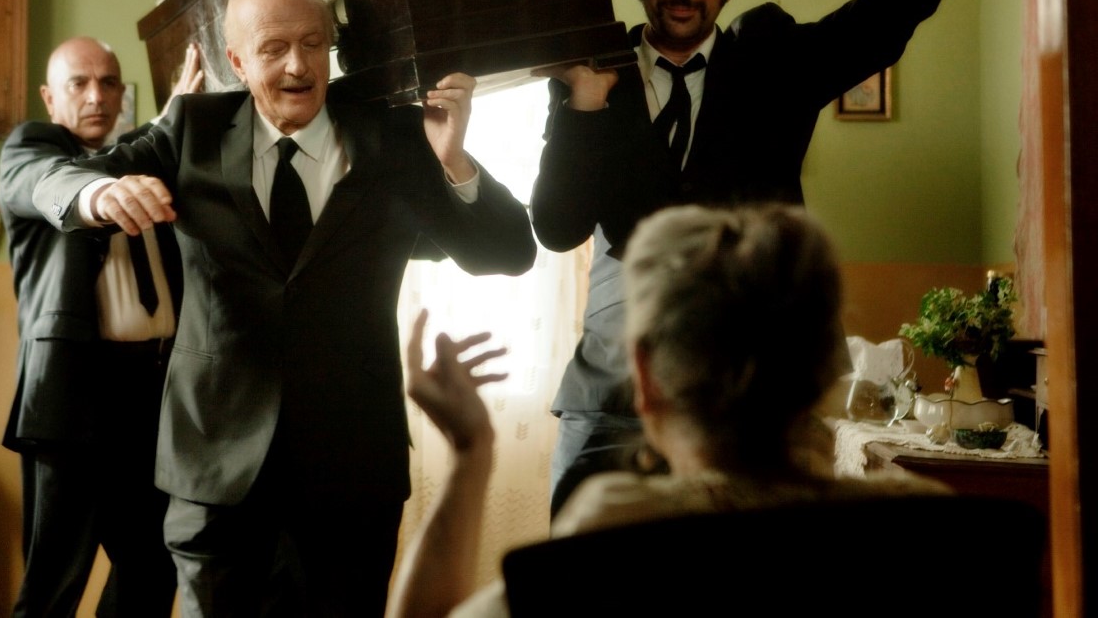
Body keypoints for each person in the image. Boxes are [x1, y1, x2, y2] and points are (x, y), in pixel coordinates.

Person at [530, 0, 1030, 515]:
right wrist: (586, 105)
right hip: (610, 406)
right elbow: (556, 225)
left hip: (751, 417)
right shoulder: (589, 76)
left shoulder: (772, 65)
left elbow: (892, 9)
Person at [29, 0, 538, 617]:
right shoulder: (191, 129)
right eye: (274, 49)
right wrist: (98, 194)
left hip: (353, 478)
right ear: (237, 61)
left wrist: (454, 161)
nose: (298, 66)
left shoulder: (394, 135)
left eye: (312, 44)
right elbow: (52, 180)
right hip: (214, 480)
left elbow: (509, 252)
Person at [386, 205, 950, 618]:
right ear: (827, 366)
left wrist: (472, 454)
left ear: (647, 377)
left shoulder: (614, 530)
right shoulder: (929, 524)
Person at [0, 38, 203, 616]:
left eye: (109, 82)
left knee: (152, 571)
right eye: (79, 83)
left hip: (155, 394)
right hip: (72, 399)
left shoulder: (148, 157)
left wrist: (166, 133)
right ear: (50, 97)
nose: (97, 96)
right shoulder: (31, 146)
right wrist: (108, 187)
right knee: (52, 586)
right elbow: (52, 180)